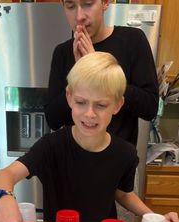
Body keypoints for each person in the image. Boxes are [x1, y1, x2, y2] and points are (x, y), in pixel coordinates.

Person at [0, 52, 179, 222]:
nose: (89, 114)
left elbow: (122, 193)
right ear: (69, 98)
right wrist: (5, 199)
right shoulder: (51, 146)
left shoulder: (126, 153)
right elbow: (4, 175)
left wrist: (155, 218)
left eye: (101, 105)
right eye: (81, 102)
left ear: (117, 105)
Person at [45, 0, 159, 146]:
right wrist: (80, 72)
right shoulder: (62, 52)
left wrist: (98, 69)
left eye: (88, 4)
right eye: (71, 6)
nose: (79, 16)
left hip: (119, 161)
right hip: (74, 159)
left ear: (105, 3)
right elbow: (53, 119)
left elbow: (149, 108)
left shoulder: (133, 40)